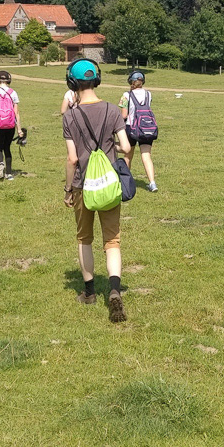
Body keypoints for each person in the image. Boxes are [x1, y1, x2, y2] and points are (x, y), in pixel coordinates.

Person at [62, 59, 132, 323]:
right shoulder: (113, 110)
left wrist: (69, 190)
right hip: (109, 185)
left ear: (72, 82)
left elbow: (72, 159)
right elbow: (125, 147)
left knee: (84, 238)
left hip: (83, 185)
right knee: (112, 240)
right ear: (97, 79)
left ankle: (89, 293)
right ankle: (114, 290)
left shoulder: (70, 116)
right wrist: (108, 143)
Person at [119, 69, 158, 192]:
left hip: (131, 128)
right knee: (146, 156)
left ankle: (125, 183)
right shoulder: (149, 94)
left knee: (128, 156)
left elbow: (124, 116)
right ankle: (152, 183)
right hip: (147, 127)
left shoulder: (126, 95)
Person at [0, 70, 22, 180]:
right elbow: (16, 113)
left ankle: (1, 163)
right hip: (10, 125)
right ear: (9, 80)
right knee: (7, 147)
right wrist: (19, 129)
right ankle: (9, 174)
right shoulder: (13, 93)